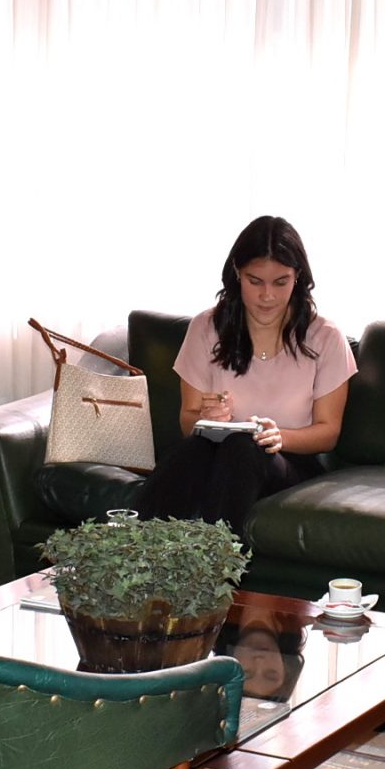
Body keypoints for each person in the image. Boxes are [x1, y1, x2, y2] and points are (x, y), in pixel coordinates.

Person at [136, 215, 356, 539]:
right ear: (237, 273)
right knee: (195, 447)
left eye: (281, 282)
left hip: (288, 464)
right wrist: (206, 418)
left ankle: (216, 567)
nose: (267, 295)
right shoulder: (206, 327)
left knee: (243, 445)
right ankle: (136, 552)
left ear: (298, 278)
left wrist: (279, 437)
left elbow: (328, 432)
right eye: (256, 281)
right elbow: (187, 420)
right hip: (213, 455)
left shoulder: (324, 337)